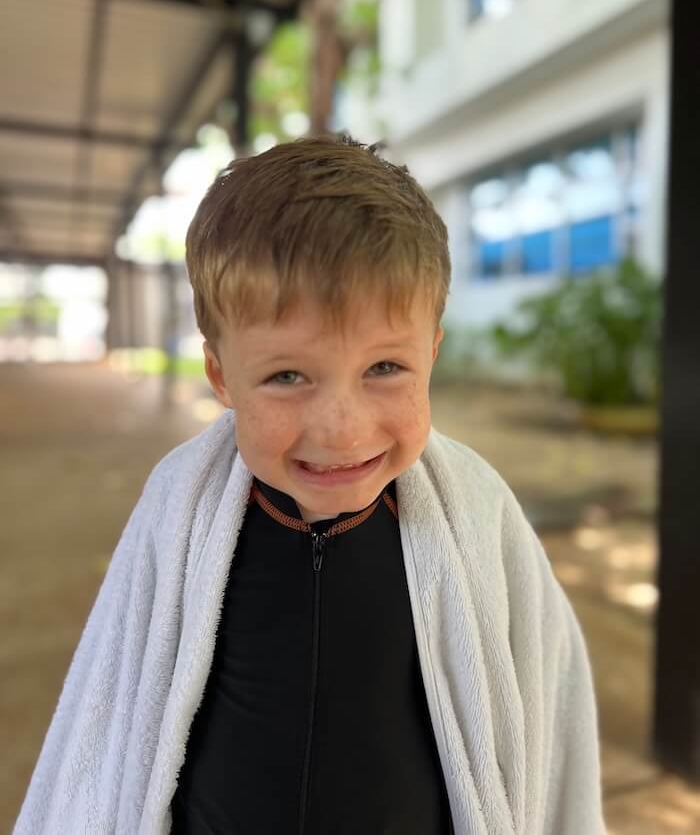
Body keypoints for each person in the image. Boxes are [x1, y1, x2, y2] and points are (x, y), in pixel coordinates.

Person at [14, 133, 605, 835]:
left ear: (431, 353)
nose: (344, 432)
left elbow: (546, 704)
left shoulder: (478, 518)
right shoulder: (177, 513)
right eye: (288, 375)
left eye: (384, 368)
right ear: (221, 375)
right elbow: (110, 719)